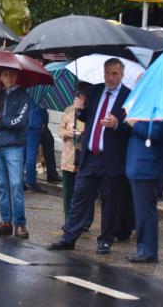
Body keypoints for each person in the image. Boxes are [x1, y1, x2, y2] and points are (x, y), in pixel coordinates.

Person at [48, 58, 132, 255]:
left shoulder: (128, 96)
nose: (110, 78)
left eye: (115, 74)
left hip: (111, 158)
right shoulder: (95, 91)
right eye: (108, 73)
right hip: (90, 156)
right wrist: (80, 110)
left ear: (121, 75)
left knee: (109, 201)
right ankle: (69, 237)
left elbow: (132, 126)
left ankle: (105, 240)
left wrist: (117, 123)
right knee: (79, 197)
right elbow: (88, 117)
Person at [0, 68, 32, 239]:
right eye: (5, 74)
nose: (9, 78)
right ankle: (6, 221)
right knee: (2, 186)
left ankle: (20, 223)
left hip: (14, 147)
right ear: (0, 77)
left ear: (17, 76)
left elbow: (19, 121)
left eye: (12, 74)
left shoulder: (23, 97)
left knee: (16, 185)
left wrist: (0, 121)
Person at [124, 118, 163, 263]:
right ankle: (144, 249)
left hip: (147, 166)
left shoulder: (158, 105)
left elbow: (155, 133)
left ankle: (148, 251)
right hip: (137, 165)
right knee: (141, 212)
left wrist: (134, 123)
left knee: (145, 211)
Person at [57, 83, 95, 228]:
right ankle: (69, 220)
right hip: (68, 157)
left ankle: (86, 221)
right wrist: (67, 132)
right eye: (78, 96)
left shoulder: (91, 111)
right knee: (68, 193)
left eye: (83, 96)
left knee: (86, 192)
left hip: (84, 158)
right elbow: (59, 130)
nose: (80, 99)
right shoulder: (68, 110)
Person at [24, 100, 49, 192]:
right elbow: (43, 111)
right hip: (35, 123)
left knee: (23, 152)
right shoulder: (40, 94)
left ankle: (20, 180)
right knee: (31, 154)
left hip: (23, 122)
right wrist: (45, 122)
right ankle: (30, 181)